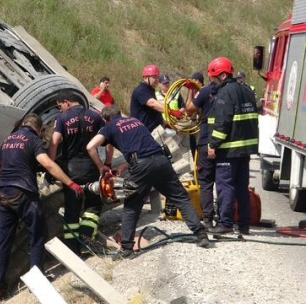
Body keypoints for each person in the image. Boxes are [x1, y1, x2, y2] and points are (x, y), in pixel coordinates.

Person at [86, 105, 210, 255]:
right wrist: (124, 166)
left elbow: (90, 147)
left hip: (141, 168)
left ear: (106, 119)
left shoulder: (109, 126)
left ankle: (126, 248)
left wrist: (101, 167)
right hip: (161, 161)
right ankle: (201, 234)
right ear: (120, 113)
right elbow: (146, 148)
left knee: (132, 205)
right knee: (181, 198)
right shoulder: (136, 121)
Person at [0, 113, 84, 298]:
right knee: (38, 234)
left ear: (23, 124)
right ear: (38, 129)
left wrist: (4, 180)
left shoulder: (8, 139)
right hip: (24, 192)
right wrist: (70, 183)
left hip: (3, 193)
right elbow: (47, 163)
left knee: (3, 240)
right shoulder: (33, 140)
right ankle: (38, 280)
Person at [47, 90, 109, 254]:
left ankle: (73, 249)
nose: (60, 109)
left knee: (71, 209)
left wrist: (50, 166)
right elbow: (108, 138)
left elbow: (54, 143)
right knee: (93, 205)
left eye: (60, 106)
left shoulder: (62, 118)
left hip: (70, 169)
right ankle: (87, 239)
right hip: (91, 167)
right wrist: (107, 162)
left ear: (66, 101)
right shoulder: (95, 116)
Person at [206, 57, 259, 234]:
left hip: (228, 150)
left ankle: (226, 223)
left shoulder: (224, 93)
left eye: (213, 78)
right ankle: (243, 225)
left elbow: (222, 122)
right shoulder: (246, 90)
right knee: (241, 187)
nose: (212, 82)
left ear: (221, 75)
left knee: (225, 185)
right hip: (244, 150)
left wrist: (213, 144)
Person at [185, 71, 217, 230]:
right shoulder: (230, 90)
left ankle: (208, 220)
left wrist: (191, 91)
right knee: (225, 183)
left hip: (206, 142)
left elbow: (189, 109)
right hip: (225, 143)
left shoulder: (204, 92)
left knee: (205, 183)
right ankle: (226, 220)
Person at [130, 64, 183, 133]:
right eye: (154, 77)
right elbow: (153, 104)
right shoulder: (141, 90)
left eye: (157, 77)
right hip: (144, 133)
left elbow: (153, 112)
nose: (157, 80)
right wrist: (171, 111)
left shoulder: (150, 90)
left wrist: (165, 123)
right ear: (146, 77)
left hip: (155, 130)